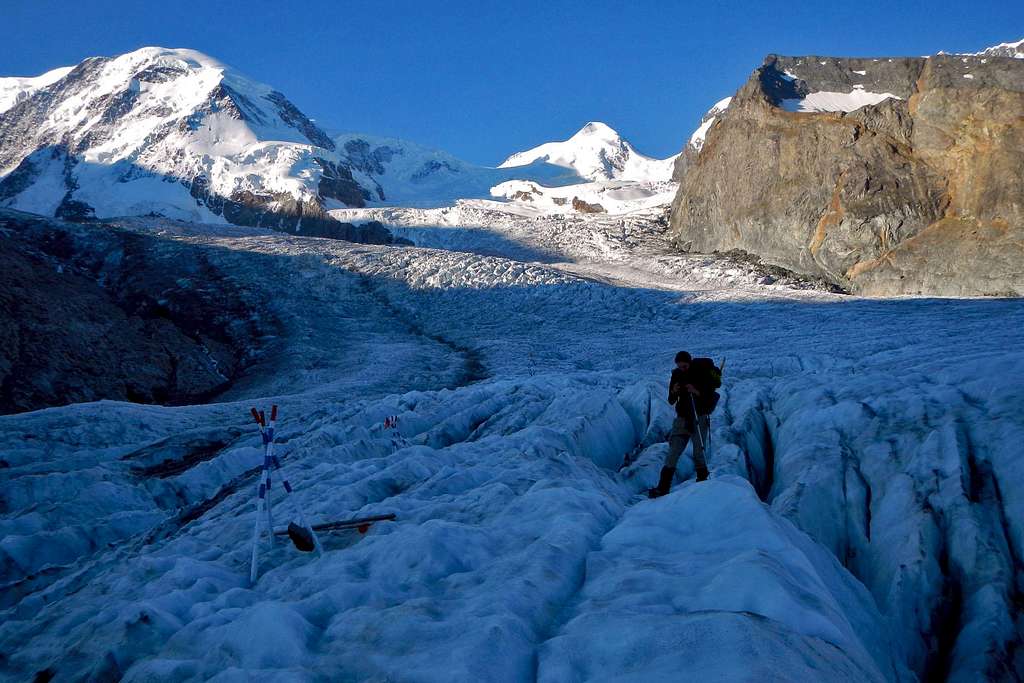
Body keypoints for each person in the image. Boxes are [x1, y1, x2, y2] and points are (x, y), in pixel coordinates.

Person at [648, 351, 721, 498]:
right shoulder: (677, 375)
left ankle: (702, 484)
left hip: (699, 416)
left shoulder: (701, 372)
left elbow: (709, 395)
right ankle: (663, 488)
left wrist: (696, 391)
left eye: (685, 366)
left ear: (690, 362)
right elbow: (671, 399)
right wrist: (674, 391)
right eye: (680, 366)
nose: (682, 369)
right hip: (682, 417)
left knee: (698, 451)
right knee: (673, 451)